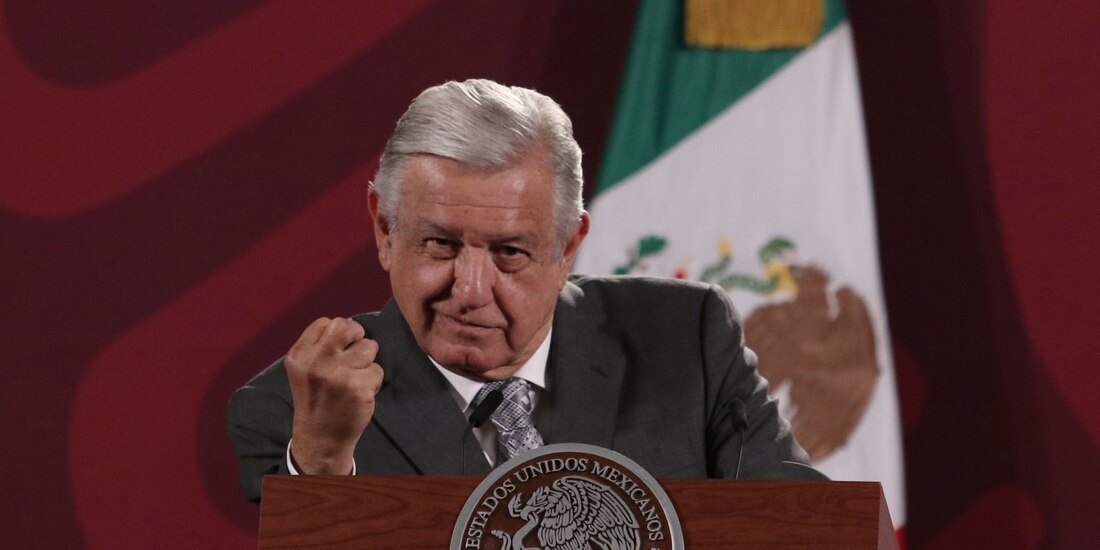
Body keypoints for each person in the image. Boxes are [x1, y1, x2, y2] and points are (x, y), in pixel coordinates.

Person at [227, 79, 820, 503]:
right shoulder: (292, 408)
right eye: (440, 245)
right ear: (385, 228)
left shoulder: (684, 339)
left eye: (510, 253)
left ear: (567, 247)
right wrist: (324, 464)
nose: (471, 289)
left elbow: (806, 530)